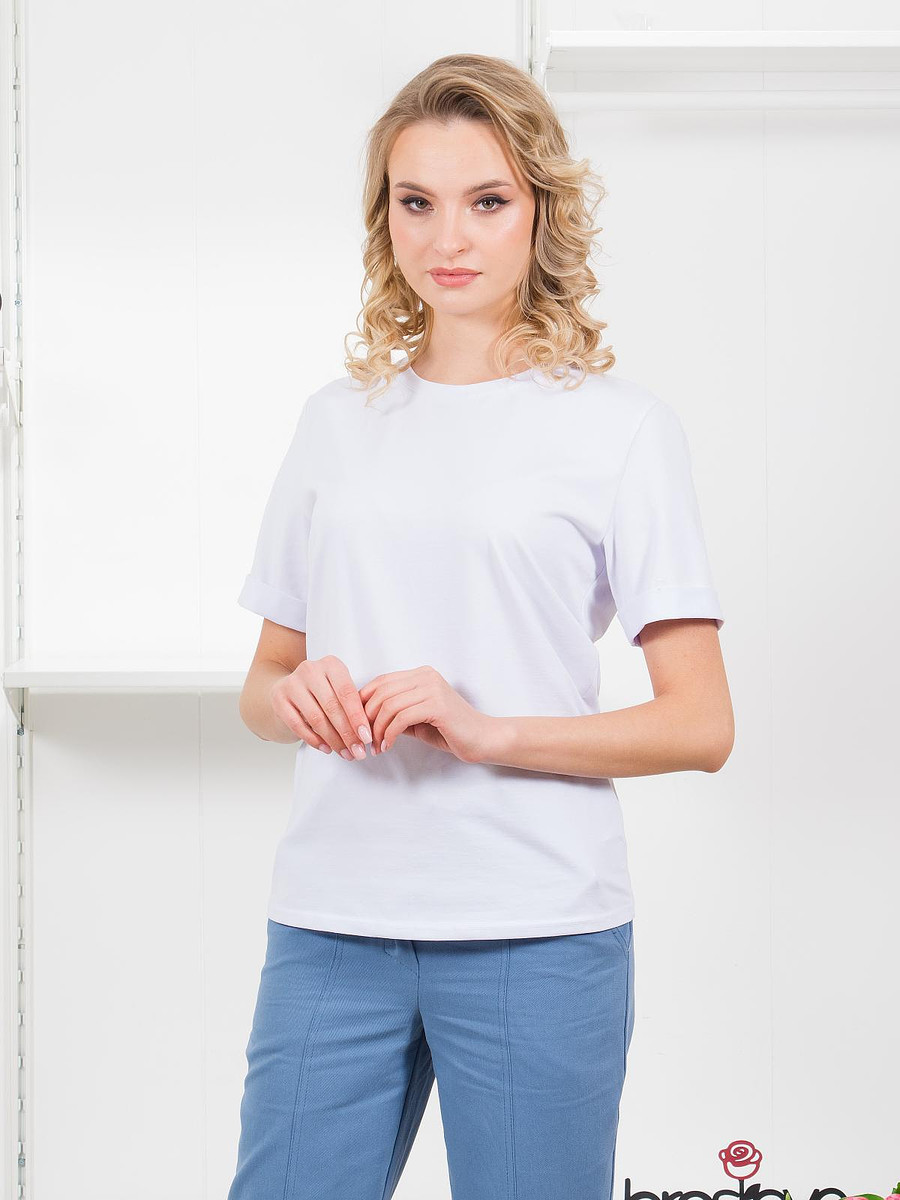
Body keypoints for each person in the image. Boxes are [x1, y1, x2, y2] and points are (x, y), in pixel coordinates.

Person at [228, 52, 733, 1200]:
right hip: (330, 920)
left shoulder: (620, 432)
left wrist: (485, 731)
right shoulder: (335, 423)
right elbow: (262, 685)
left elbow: (702, 723)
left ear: (540, 211)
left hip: (536, 926)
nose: (446, 237)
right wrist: (295, 699)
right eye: (416, 202)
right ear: (385, 216)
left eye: (487, 201)